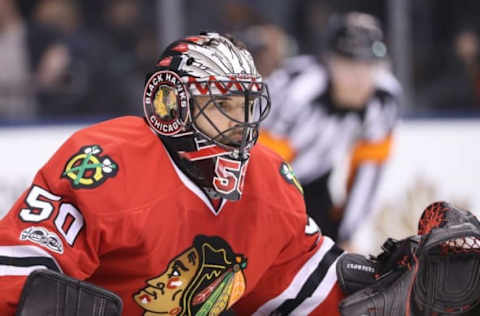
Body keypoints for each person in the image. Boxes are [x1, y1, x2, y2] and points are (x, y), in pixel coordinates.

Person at [0, 31, 346, 316]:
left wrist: (373, 291)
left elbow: (308, 289)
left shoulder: (270, 180)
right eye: (223, 106)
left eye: (246, 105)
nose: (241, 124)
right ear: (172, 106)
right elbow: (18, 278)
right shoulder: (109, 163)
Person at [259, 12, 401, 245]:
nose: (360, 78)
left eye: (369, 66)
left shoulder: (384, 97)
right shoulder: (298, 90)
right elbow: (260, 166)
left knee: (328, 253)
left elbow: (368, 172)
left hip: (314, 182)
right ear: (330, 62)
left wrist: (346, 234)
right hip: (262, 184)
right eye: (350, 65)